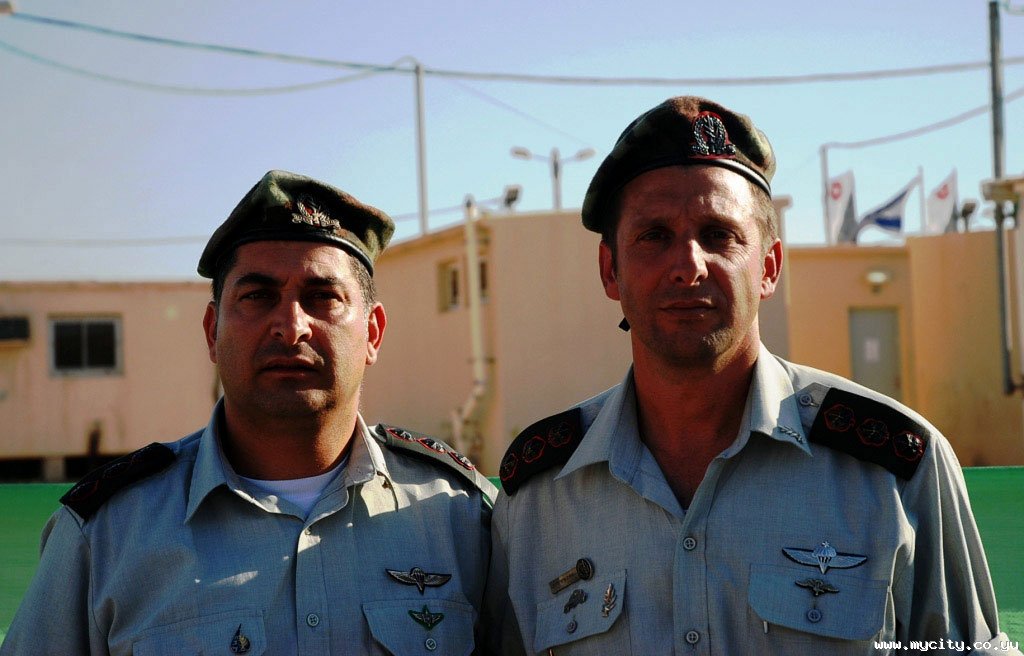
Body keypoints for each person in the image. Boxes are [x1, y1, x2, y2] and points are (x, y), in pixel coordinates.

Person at [483, 97, 1018, 655]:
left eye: (719, 234)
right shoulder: (539, 499)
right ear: (609, 270)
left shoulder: (894, 472)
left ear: (768, 266)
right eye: (655, 236)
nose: (688, 265)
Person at [2, 170, 496, 655]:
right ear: (211, 331)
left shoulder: (461, 516)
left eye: (323, 296)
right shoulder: (105, 536)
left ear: (373, 332)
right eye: (258, 296)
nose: (291, 326)